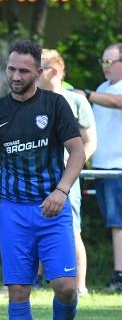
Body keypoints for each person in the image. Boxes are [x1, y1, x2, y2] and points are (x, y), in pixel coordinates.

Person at [0, 40, 85, 320]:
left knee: (66, 288)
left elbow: (77, 152)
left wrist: (61, 190)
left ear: (38, 72)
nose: (15, 76)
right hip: (14, 213)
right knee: (18, 292)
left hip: (51, 209)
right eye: (11, 69)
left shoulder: (55, 105)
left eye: (23, 71)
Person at [38, 49, 97, 296]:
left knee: (71, 229)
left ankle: (80, 285)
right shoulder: (33, 100)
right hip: (36, 175)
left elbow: (90, 141)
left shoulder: (76, 101)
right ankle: (33, 282)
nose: (33, 73)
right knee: (34, 226)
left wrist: (72, 167)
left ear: (52, 71)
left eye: (38, 68)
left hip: (66, 177)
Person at [75, 43, 122, 292]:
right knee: (113, 223)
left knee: (118, 223)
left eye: (109, 62)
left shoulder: (103, 92)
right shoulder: (104, 87)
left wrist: (87, 95)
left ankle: (119, 275)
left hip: (118, 168)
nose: (104, 67)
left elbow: (117, 102)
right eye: (102, 61)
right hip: (103, 167)